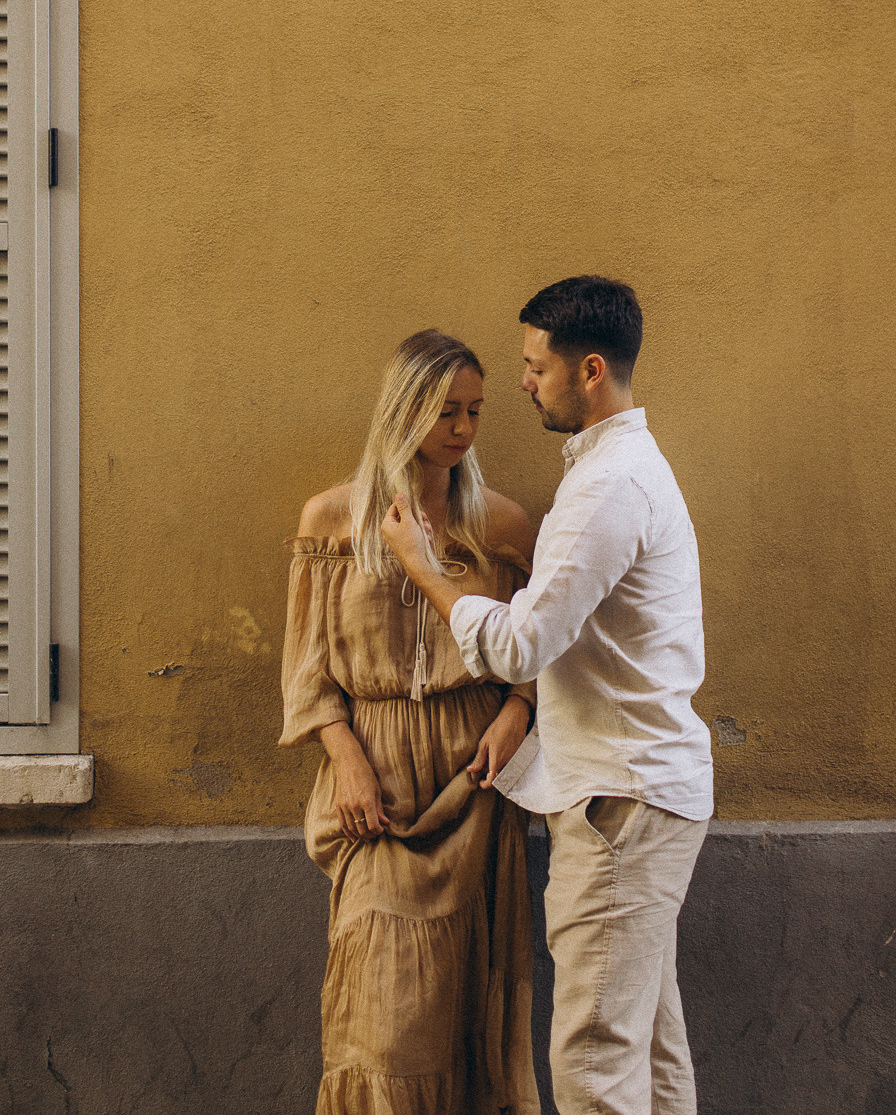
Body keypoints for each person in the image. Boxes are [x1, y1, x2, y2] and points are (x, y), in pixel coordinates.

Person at [382, 278, 714, 1115]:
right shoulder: (622, 471)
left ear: (590, 370)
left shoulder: (607, 488)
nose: (524, 383)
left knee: (596, 1061)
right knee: (649, 1050)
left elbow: (521, 642)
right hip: (640, 795)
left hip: (619, 808)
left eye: (536, 367)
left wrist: (424, 567)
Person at [279, 329, 542, 1115]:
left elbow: (542, 649)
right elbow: (307, 667)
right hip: (379, 788)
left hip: (474, 779)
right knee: (382, 1021)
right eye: (444, 411)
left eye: (474, 411)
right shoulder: (333, 521)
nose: (462, 429)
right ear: (403, 410)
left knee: (469, 1011)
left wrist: (520, 712)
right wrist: (346, 760)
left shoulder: (500, 525)